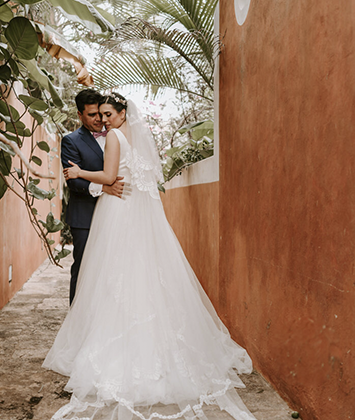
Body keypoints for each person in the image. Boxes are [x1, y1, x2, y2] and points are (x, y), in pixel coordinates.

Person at [44, 93, 257, 420]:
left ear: (121, 112)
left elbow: (110, 175)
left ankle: (106, 344)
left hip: (118, 213)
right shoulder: (131, 137)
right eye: (98, 114)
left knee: (111, 275)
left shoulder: (114, 136)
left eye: (108, 113)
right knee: (134, 275)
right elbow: (136, 177)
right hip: (133, 212)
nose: (103, 119)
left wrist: (80, 174)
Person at [61, 89, 125, 305]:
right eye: (91, 115)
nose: (99, 120)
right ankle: (76, 320)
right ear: (80, 115)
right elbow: (73, 180)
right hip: (85, 217)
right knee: (84, 269)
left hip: (116, 213)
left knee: (113, 269)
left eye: (101, 113)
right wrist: (103, 188)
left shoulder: (118, 134)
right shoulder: (71, 141)